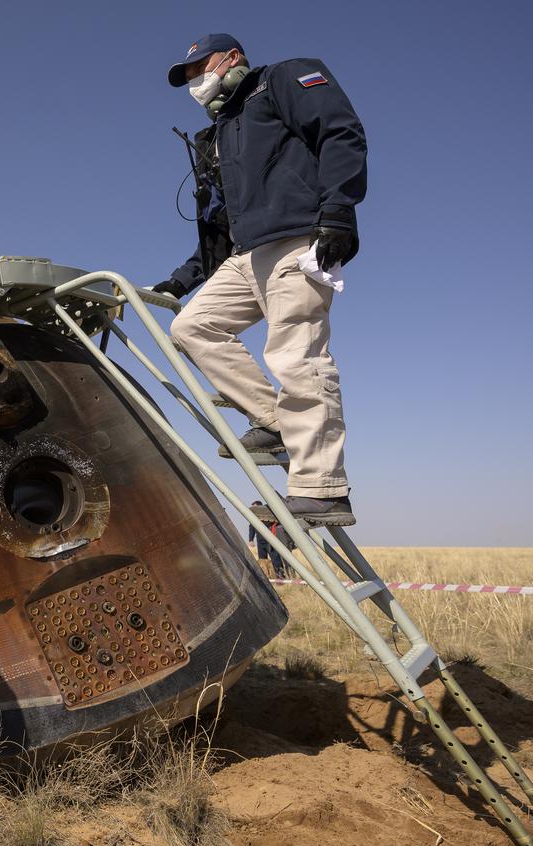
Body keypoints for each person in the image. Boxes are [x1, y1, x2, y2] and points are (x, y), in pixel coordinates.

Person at [153, 33, 367, 528]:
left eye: (197, 68)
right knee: (192, 327)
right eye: (187, 76)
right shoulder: (222, 132)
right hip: (247, 255)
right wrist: (180, 282)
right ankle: (273, 422)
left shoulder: (281, 80)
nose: (194, 81)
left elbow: (340, 132)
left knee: (295, 355)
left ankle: (322, 488)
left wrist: (337, 210)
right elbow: (221, 222)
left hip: (297, 239)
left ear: (230, 59)